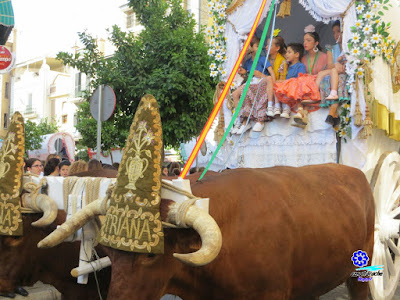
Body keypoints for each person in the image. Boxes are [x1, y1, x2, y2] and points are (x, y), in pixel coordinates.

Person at [285, 25, 339, 127]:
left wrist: (315, 76)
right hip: (306, 87)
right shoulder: (303, 58)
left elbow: (329, 71)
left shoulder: (324, 56)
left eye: (308, 40)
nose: (305, 43)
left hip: (317, 85)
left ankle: (303, 114)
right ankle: (302, 114)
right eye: (304, 40)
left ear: (316, 43)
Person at [232, 38, 276, 134]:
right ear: (251, 48)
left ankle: (249, 119)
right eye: (257, 46)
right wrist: (244, 73)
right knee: (235, 94)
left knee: (248, 88)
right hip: (250, 82)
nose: (260, 48)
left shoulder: (263, 59)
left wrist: (261, 75)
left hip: (260, 82)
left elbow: (271, 74)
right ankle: (240, 118)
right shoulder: (248, 62)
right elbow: (248, 75)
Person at [323, 20, 350, 127]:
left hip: (345, 74)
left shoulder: (350, 47)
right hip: (333, 73)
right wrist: (337, 65)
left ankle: (332, 112)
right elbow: (330, 65)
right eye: (334, 32)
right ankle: (333, 113)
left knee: (341, 78)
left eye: (338, 31)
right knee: (329, 79)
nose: (336, 35)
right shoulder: (331, 48)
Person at [274, 43, 307, 119]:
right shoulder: (287, 66)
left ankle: (287, 108)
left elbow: (301, 79)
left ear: (297, 55)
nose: (286, 54)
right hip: (286, 88)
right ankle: (277, 106)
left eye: (289, 52)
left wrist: (287, 81)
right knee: (276, 83)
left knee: (291, 84)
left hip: (294, 89)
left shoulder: (300, 66)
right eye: (286, 52)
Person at [265, 36, 288, 116]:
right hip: (266, 85)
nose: (266, 47)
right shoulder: (265, 59)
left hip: (276, 85)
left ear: (277, 48)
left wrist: (273, 82)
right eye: (266, 45)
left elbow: (282, 79)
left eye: (270, 45)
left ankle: (274, 106)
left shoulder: (282, 61)